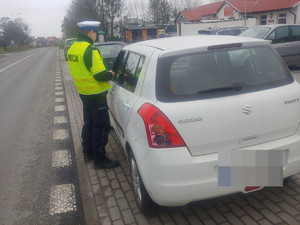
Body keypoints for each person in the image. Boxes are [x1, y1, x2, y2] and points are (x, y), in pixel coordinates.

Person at [67, 21, 119, 169]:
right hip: (96, 93)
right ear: (91, 32)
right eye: (95, 33)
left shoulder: (73, 48)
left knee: (89, 123)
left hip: (84, 93)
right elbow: (100, 75)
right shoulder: (90, 49)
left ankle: (88, 152)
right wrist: (111, 73)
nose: (96, 35)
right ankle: (100, 159)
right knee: (101, 126)